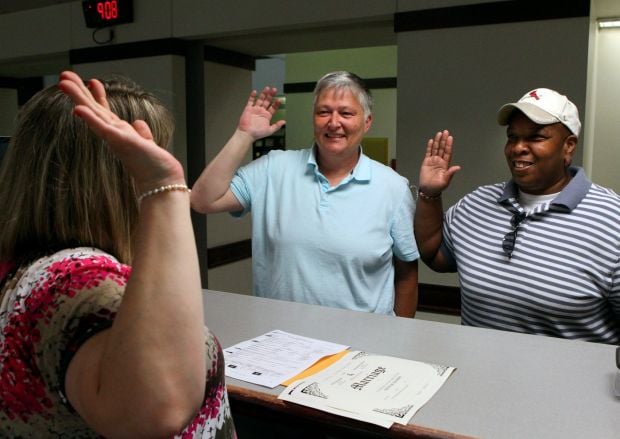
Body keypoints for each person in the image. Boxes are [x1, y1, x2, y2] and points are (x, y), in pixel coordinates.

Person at [0, 71, 236, 437]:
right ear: (120, 171)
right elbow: (160, 406)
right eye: (154, 152)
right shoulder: (78, 279)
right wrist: (163, 186)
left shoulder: (27, 268)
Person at [191, 71, 419, 317]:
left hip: (362, 346)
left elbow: (407, 271)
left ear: (367, 121)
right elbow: (203, 200)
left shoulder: (393, 187)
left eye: (346, 113)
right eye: (323, 112)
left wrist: (397, 337)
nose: (333, 122)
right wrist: (243, 136)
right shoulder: (273, 169)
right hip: (282, 339)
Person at [414, 87, 620, 343]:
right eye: (513, 137)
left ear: (568, 147)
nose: (518, 148)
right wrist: (429, 194)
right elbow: (434, 254)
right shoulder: (477, 203)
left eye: (536, 137)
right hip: (478, 376)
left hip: (568, 382)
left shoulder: (612, 220)